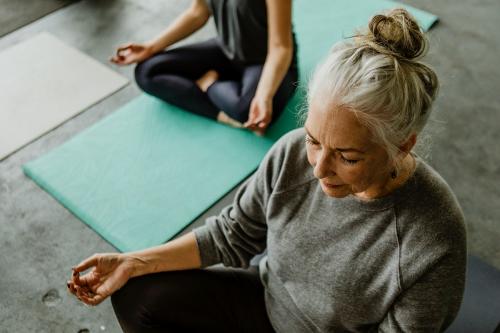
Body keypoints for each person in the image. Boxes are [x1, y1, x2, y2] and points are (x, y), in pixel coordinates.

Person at [68, 9, 467, 332]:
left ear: (402, 145)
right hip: (264, 301)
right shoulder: (291, 154)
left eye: (348, 157)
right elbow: (232, 234)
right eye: (314, 140)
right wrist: (133, 262)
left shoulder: (432, 242)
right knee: (138, 295)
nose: (319, 169)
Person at [110, 0, 298, 135]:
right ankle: (224, 111)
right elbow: (198, 12)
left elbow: (281, 47)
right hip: (227, 50)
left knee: (247, 110)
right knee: (147, 71)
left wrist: (263, 96)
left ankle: (210, 85)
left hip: (267, 61)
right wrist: (150, 47)